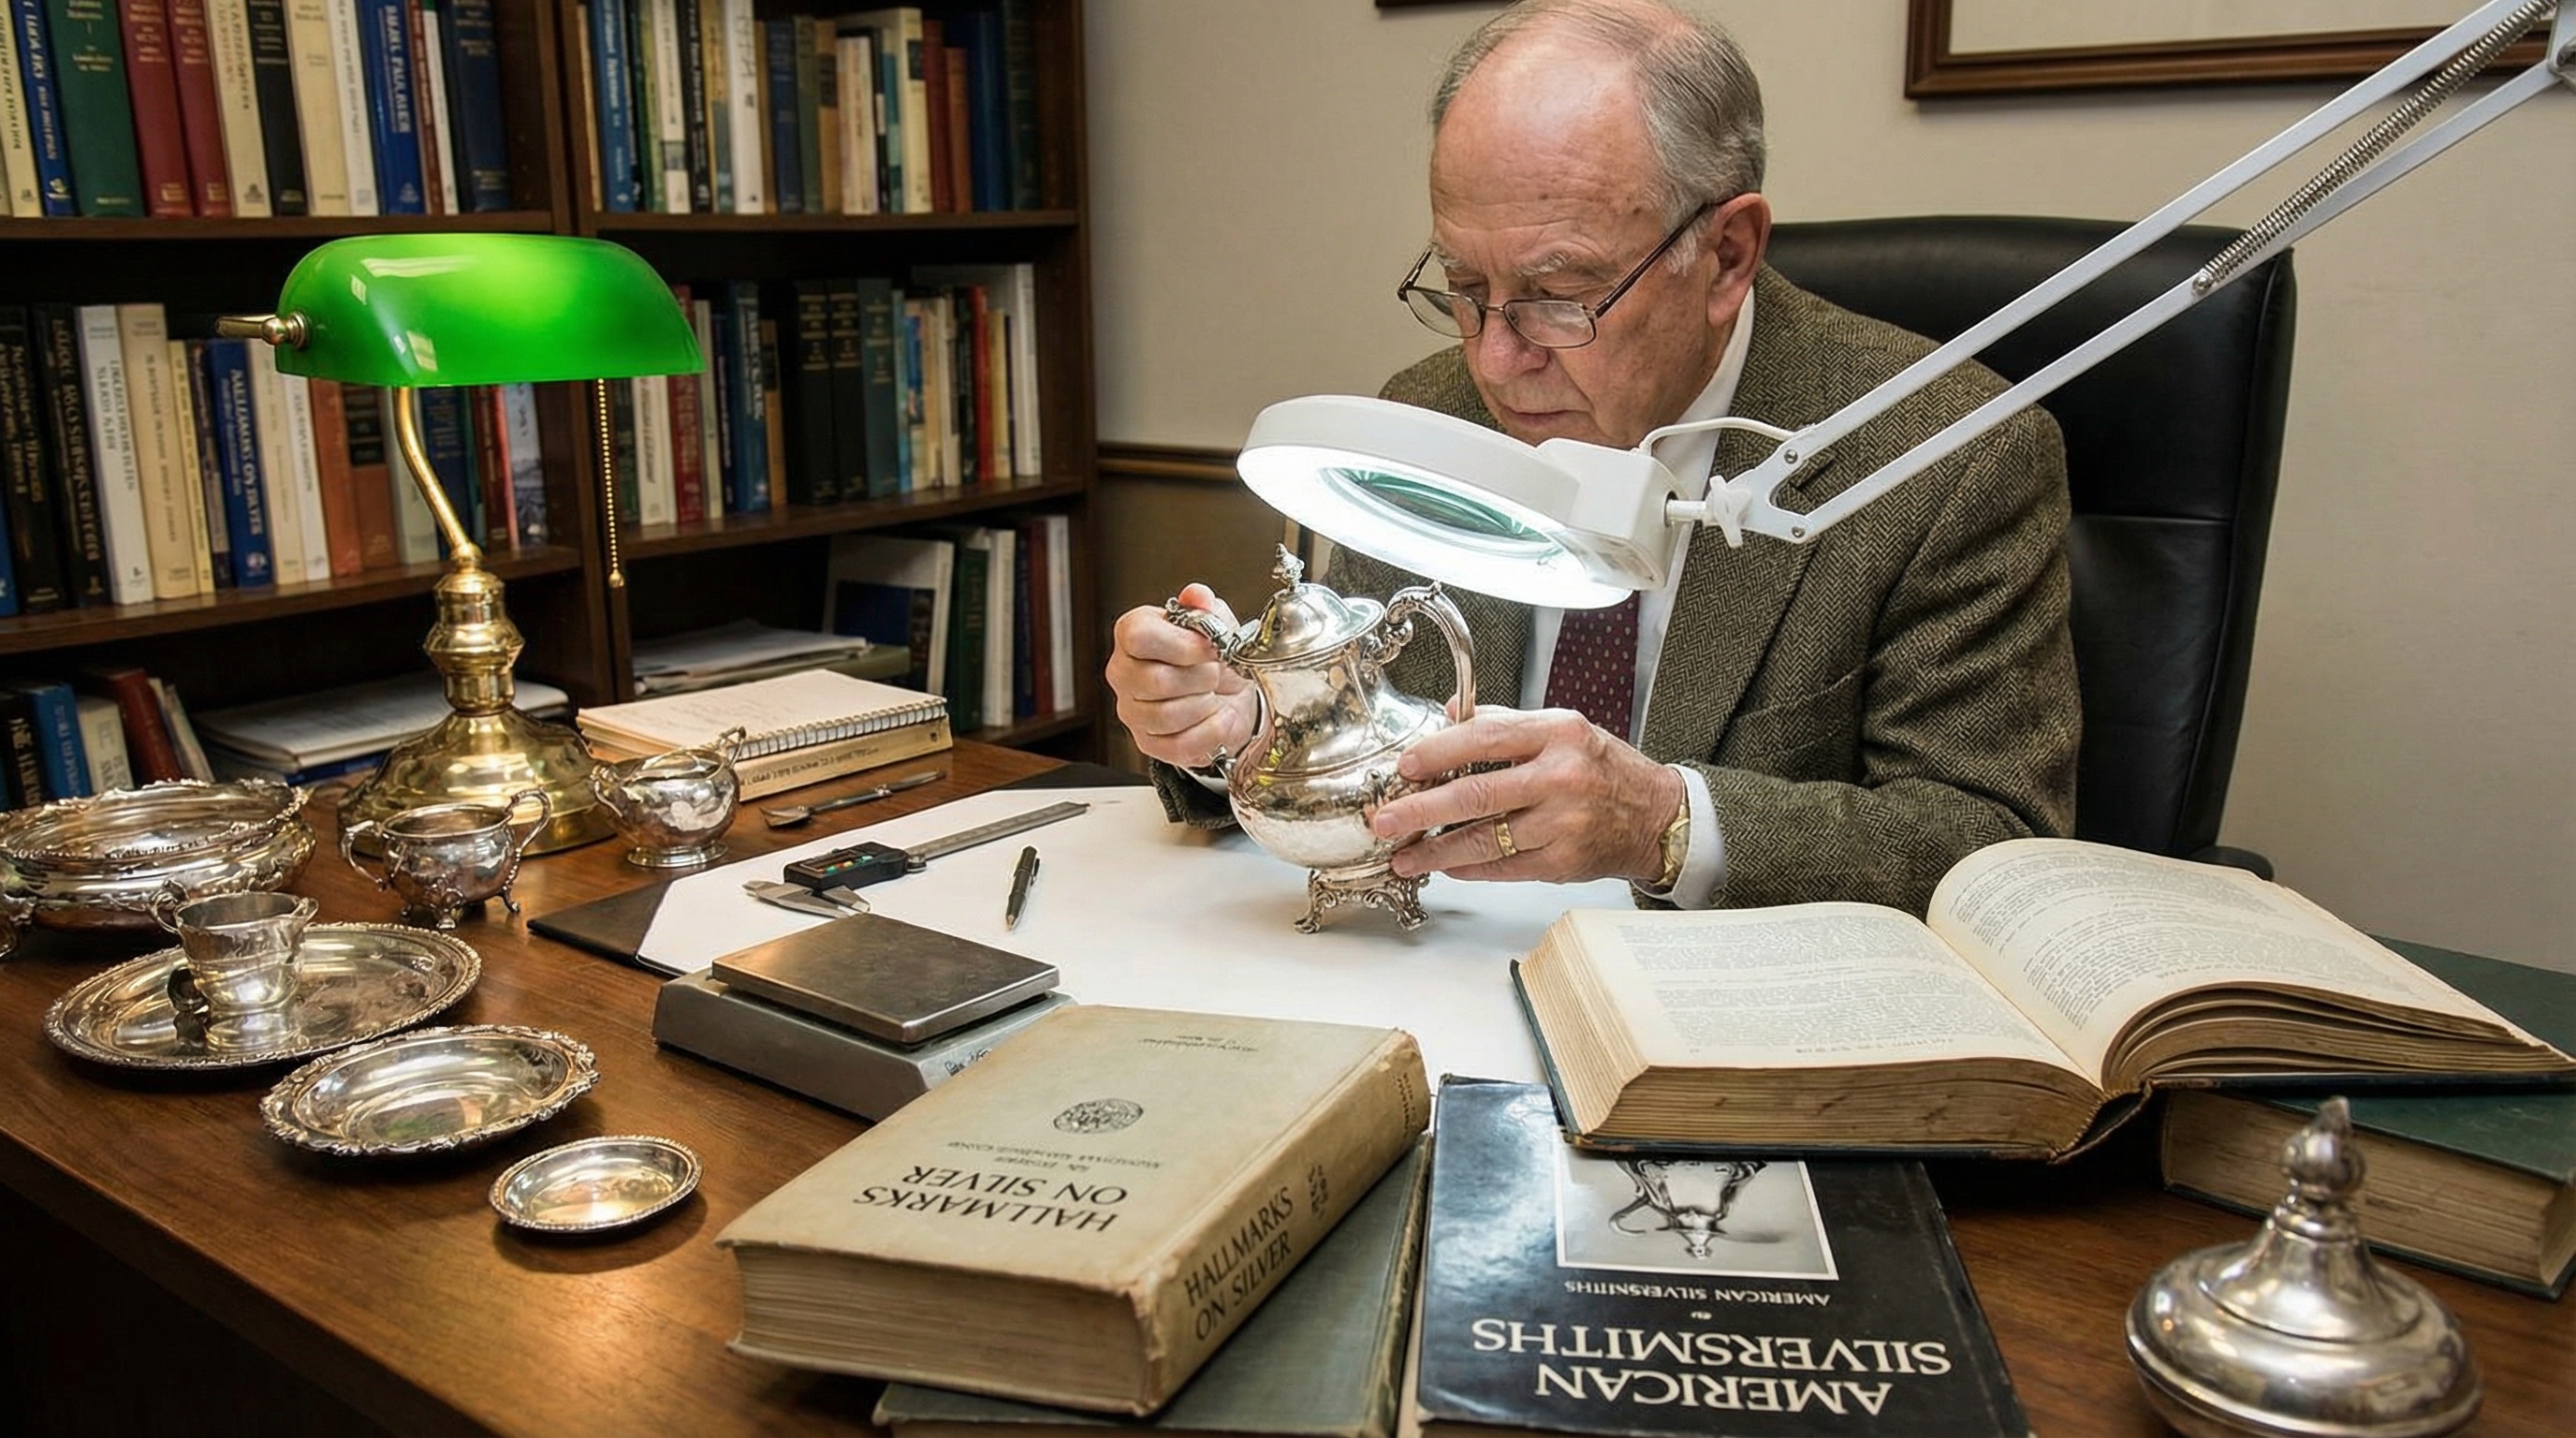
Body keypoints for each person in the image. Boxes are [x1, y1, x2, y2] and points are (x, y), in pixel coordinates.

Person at [1106, 0, 2079, 917]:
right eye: (1464, 286)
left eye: (1559, 294)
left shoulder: (1939, 459)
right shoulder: (1424, 419)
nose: (1494, 359)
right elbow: (1369, 733)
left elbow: (1986, 840)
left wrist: (1661, 824)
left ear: (1728, 255)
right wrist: (1252, 725)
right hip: (1437, 975)